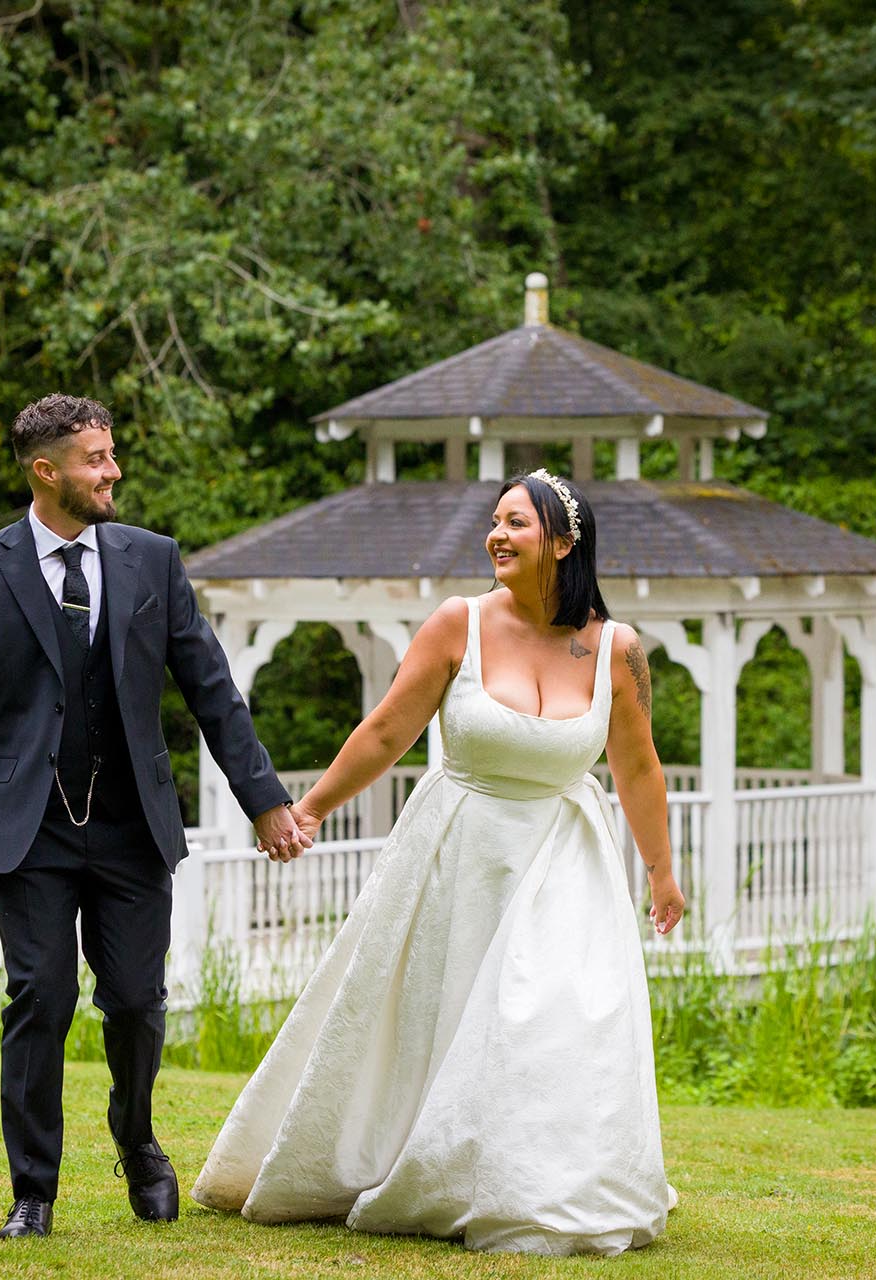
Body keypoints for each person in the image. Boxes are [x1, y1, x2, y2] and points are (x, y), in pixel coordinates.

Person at [191, 470, 686, 1255]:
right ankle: (421, 1163)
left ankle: (552, 1182)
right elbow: (388, 729)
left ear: (563, 542)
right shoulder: (459, 624)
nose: (496, 535)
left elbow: (638, 767)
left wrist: (660, 871)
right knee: (442, 1021)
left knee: (555, 1020)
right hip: (459, 854)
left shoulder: (616, 649)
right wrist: (312, 807)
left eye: (516, 524)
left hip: (565, 862)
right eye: (495, 521)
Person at [0, 394, 310, 1241]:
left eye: (111, 454)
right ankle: (34, 1191)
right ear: (46, 470)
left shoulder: (152, 560)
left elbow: (212, 687)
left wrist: (266, 801)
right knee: (41, 998)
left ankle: (136, 1140)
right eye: (96, 458)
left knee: (135, 1001)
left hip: (134, 824)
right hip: (29, 830)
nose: (113, 471)